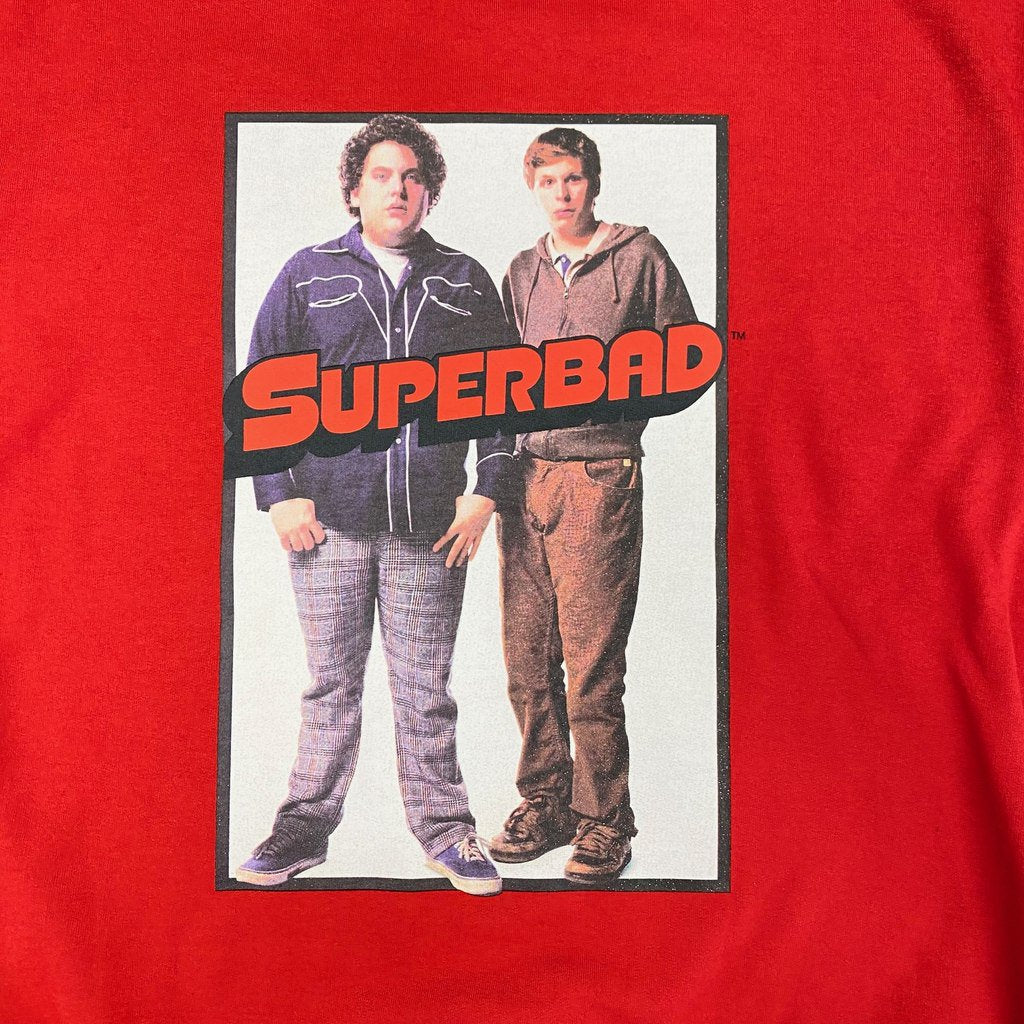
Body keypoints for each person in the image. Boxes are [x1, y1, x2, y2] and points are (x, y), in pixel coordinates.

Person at [235, 115, 513, 896]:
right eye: (382, 175)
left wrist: (486, 492)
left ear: (430, 193)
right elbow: (261, 388)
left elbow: (504, 398)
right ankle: (302, 829)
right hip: (326, 525)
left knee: (427, 692)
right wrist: (279, 495)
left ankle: (447, 833)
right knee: (330, 686)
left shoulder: (464, 280)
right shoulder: (307, 274)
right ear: (354, 190)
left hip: (431, 529)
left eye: (413, 176)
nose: (399, 189)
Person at [490, 127, 698, 884]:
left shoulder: (640, 257)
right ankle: (545, 802)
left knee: (592, 668)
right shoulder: (521, 271)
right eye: (548, 181)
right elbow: (501, 375)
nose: (562, 193)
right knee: (526, 660)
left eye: (572, 178)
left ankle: (605, 820)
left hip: (598, 478)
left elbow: (690, 355)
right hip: (527, 479)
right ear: (533, 187)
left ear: (593, 182)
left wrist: (618, 415)